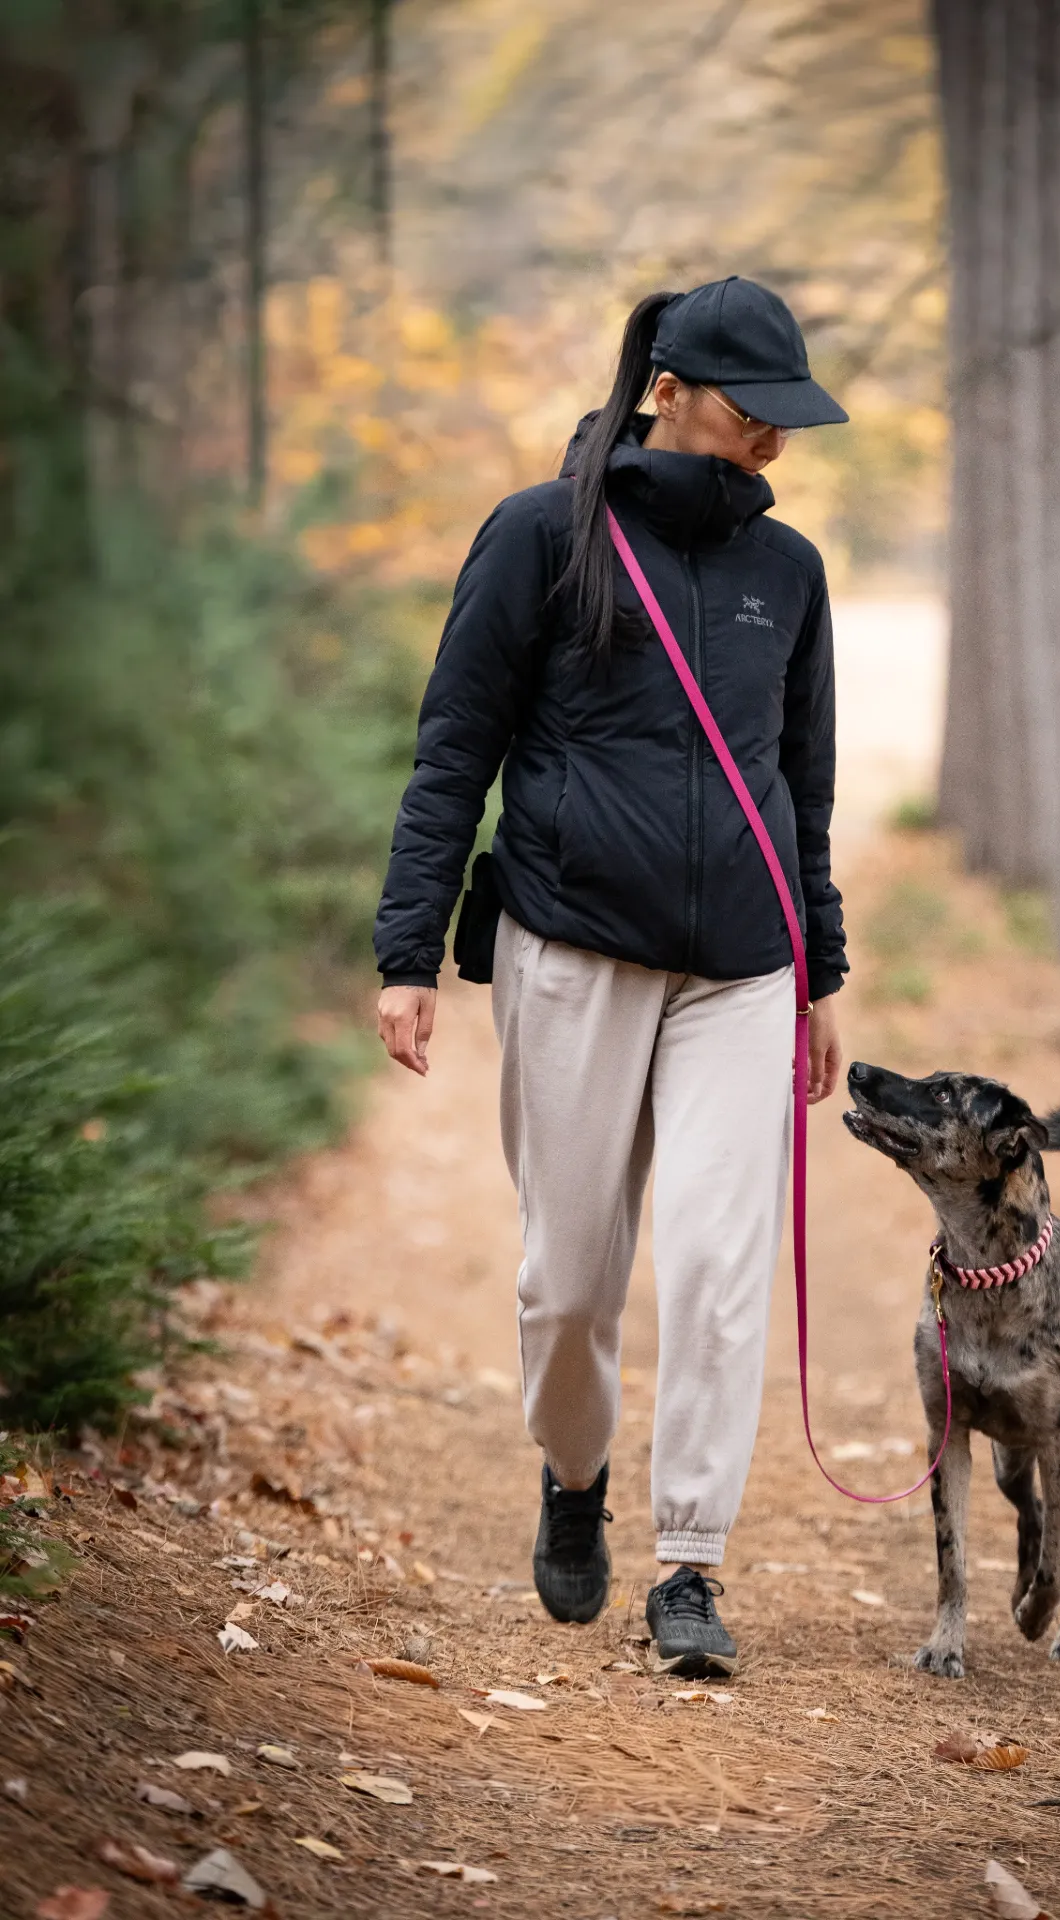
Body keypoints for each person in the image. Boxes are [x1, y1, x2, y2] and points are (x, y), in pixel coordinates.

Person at [373, 277, 848, 1677]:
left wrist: (820, 968)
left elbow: (800, 787)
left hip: (742, 976)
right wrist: (409, 952)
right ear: (670, 389)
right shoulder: (544, 534)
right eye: (752, 408)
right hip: (571, 944)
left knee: (714, 1270)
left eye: (790, 415)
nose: (775, 436)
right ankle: (573, 1477)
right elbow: (454, 743)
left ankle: (690, 1563)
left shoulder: (789, 574)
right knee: (569, 1283)